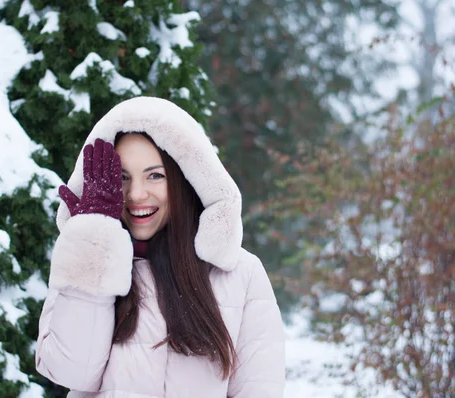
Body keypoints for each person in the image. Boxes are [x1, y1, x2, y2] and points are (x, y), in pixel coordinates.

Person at [36, 96, 285, 397]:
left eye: (155, 175)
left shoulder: (241, 275)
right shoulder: (84, 261)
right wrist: (94, 240)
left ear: (184, 179)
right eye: (123, 178)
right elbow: (70, 371)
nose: (136, 194)